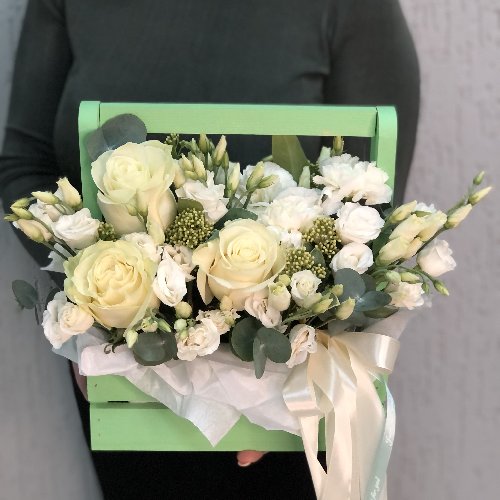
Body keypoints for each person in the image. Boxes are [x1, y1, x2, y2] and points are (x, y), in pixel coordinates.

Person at [0, 0, 419, 498]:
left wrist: (269, 388)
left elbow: (373, 204)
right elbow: (25, 163)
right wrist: (91, 314)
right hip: (127, 365)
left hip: (289, 389)